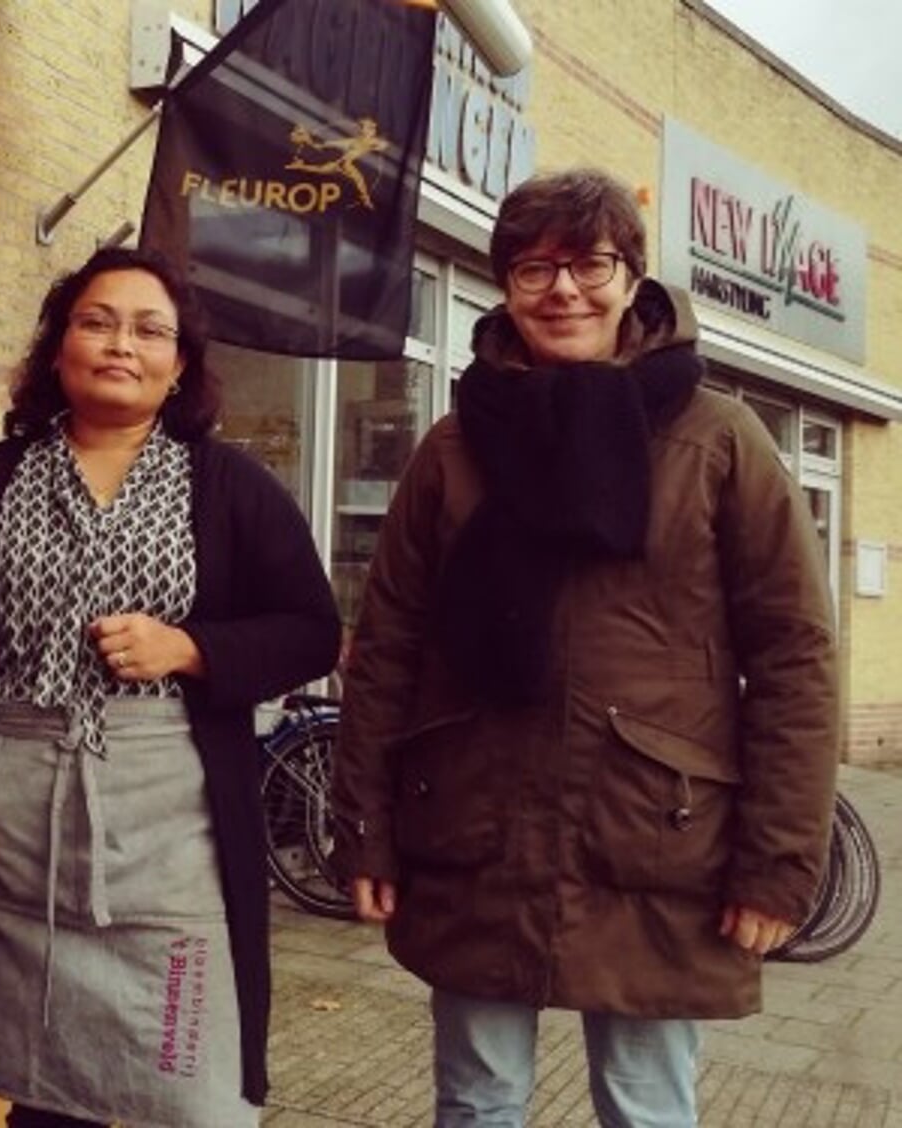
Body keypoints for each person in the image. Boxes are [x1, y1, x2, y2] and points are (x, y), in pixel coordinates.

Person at [330, 168, 840, 1128]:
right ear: (506, 290)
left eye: (588, 264)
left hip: (655, 836)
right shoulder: (450, 448)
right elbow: (388, 643)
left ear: (631, 278)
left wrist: (778, 863)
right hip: (475, 830)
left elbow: (793, 658)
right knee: (476, 1105)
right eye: (532, 269)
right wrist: (365, 825)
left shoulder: (718, 441)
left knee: (645, 1109)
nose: (562, 290)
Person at [0, 246, 342, 1127]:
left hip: (172, 823)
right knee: (42, 1074)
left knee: (186, 1073)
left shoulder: (230, 487)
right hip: (11, 819)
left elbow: (312, 628)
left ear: (180, 364)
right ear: (57, 351)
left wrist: (190, 649)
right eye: (96, 321)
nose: (121, 343)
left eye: (149, 329)